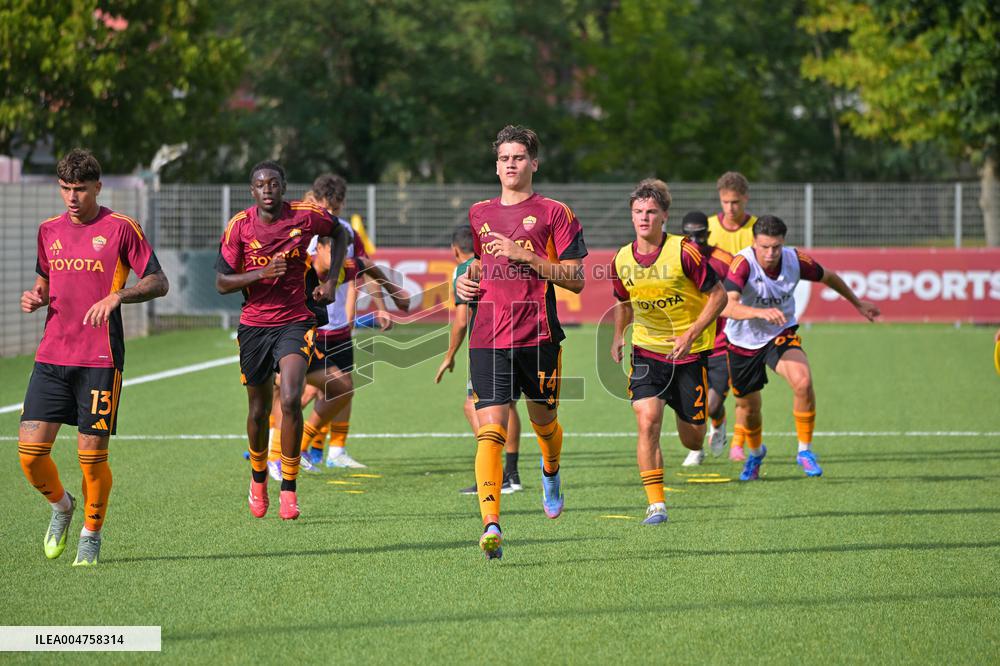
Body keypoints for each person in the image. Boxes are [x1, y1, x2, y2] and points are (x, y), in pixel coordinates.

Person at [18, 148, 169, 566]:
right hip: (52, 354)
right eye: (65, 188)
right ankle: (62, 507)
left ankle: (91, 533)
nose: (71, 197)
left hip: (100, 359)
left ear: (97, 188)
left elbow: (159, 281)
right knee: (30, 455)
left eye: (80, 189)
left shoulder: (121, 228)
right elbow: (45, 284)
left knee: (91, 459)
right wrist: (36, 297)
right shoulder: (48, 230)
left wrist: (117, 296)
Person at [455, 125, 587, 559]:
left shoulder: (555, 213)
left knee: (544, 423)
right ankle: (491, 523)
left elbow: (578, 281)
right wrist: (467, 285)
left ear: (534, 162)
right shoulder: (478, 213)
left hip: (539, 335)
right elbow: (479, 264)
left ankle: (550, 471)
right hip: (488, 335)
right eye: (504, 158)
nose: (510, 164)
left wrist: (528, 256)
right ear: (496, 166)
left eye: (518, 157)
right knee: (490, 430)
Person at [216, 161, 348, 520]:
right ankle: (258, 479)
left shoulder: (305, 217)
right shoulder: (239, 226)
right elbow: (223, 282)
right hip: (254, 326)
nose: (268, 189)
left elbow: (341, 234)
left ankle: (288, 488)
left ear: (284, 186)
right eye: (261, 184)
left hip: (296, 321)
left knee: (290, 398)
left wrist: (332, 281)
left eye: (274, 183)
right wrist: (261, 272)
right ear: (253, 191)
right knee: (258, 411)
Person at [267, 176, 408, 475]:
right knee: (293, 390)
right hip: (298, 327)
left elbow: (362, 267)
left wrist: (387, 301)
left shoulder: (343, 233)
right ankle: (277, 451)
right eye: (324, 207)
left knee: (338, 388)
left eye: (334, 208)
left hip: (336, 325)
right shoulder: (299, 230)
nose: (329, 214)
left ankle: (323, 449)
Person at [723, 215, 880, 481]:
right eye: (764, 247)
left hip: (779, 333)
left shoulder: (795, 260)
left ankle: (804, 451)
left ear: (783, 242)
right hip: (742, 342)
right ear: (754, 243)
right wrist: (759, 313)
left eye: (776, 246)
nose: (771, 253)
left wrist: (857, 302)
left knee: (803, 383)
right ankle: (756, 454)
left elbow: (828, 277)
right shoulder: (742, 264)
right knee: (748, 409)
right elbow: (727, 306)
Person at [609, 180, 726, 525]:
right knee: (647, 421)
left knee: (693, 439)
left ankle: (705, 422)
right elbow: (623, 301)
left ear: (664, 217)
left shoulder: (684, 251)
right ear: (632, 217)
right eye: (638, 212)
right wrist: (619, 334)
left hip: (690, 355)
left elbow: (718, 296)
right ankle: (656, 504)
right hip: (647, 353)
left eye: (651, 212)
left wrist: (691, 333)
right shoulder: (621, 258)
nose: (644, 218)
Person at [435, 224, 522, 495]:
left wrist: (449, 356)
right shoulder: (500, 262)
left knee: (472, 405)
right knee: (508, 405)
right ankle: (512, 473)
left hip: (489, 345)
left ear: (454, 250)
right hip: (519, 338)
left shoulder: (464, 270)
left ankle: (495, 472)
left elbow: (461, 321)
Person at [706, 171, 758, 462]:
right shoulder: (709, 228)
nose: (730, 208)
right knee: (707, 397)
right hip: (714, 315)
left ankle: (738, 444)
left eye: (735, 202)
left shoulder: (756, 230)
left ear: (745, 199)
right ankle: (718, 426)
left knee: (743, 389)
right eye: (725, 202)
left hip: (744, 317)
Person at [679, 211, 736, 465]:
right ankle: (696, 448)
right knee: (689, 406)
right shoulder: (675, 257)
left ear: (708, 234)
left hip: (720, 343)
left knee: (711, 406)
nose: (694, 240)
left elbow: (737, 294)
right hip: (688, 344)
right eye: (688, 235)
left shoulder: (724, 260)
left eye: (699, 235)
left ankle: (719, 421)